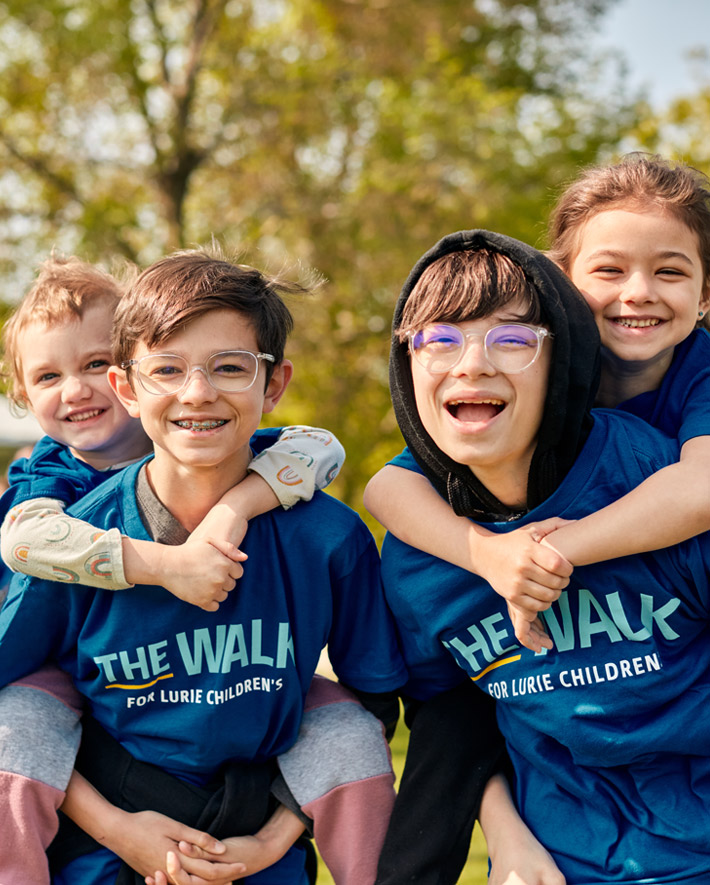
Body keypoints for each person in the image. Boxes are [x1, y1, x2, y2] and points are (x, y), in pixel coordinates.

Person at [0, 252, 404, 884]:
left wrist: (272, 840)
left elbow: (372, 702)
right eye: (167, 370)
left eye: (229, 368)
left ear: (273, 385)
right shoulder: (66, 527)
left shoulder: (325, 534)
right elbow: (15, 694)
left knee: (348, 731)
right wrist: (117, 828)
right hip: (107, 835)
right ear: (129, 387)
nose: (197, 392)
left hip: (260, 832)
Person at [376, 229, 710, 883]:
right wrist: (507, 835)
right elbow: (451, 712)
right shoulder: (419, 549)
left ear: (563, 359)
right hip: (558, 859)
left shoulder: (650, 479)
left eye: (511, 339)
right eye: (439, 340)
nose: (470, 364)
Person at [365, 153, 710, 652]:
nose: (638, 292)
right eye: (610, 269)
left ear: (705, 294)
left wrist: (546, 555)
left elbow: (700, 490)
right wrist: (489, 556)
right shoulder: (531, 374)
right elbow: (388, 486)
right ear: (562, 282)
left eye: (670, 272)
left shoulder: (701, 371)